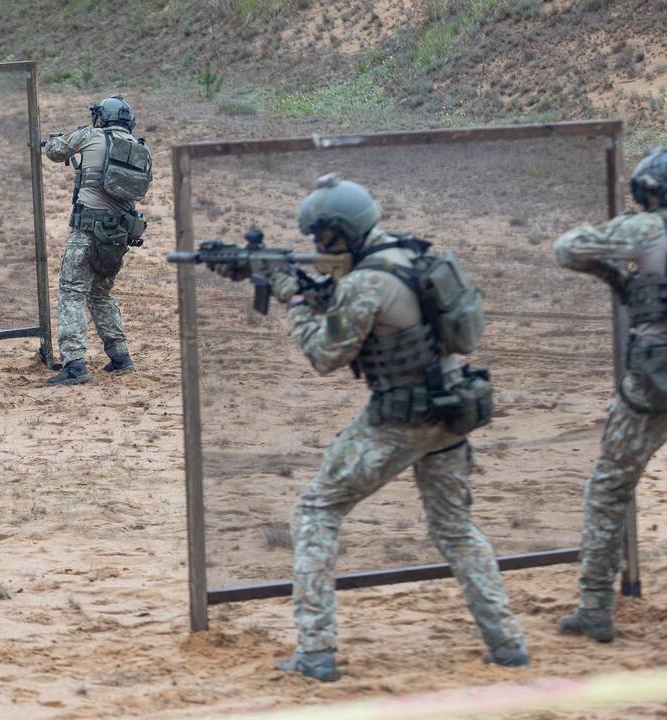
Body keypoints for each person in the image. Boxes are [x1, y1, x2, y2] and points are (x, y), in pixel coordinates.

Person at [253, 174, 529, 681]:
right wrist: (316, 291)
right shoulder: (412, 256)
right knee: (457, 530)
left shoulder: (365, 282)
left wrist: (294, 299)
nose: (318, 245)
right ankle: (507, 643)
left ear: (343, 230)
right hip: (451, 409)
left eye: (323, 236)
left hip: (402, 417)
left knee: (315, 512)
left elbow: (324, 356)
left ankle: (315, 651)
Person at [552, 147, 667, 642]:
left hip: (653, 381)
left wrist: (616, 275)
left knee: (609, 490)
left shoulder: (646, 231)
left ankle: (596, 606)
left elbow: (568, 248)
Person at [42, 95, 152, 385]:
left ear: (102, 117)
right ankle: (120, 356)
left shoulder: (91, 136)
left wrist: (57, 138)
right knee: (101, 293)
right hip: (118, 235)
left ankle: (75, 363)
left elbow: (54, 151)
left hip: (87, 230)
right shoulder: (142, 150)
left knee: (72, 292)